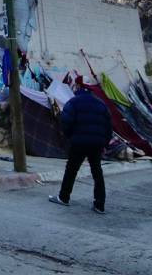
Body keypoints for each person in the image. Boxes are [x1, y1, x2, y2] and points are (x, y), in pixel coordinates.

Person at [49, 77, 112, 214]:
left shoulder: (73, 102)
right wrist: (104, 143)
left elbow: (65, 121)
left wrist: (70, 136)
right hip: (96, 144)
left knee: (71, 170)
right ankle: (99, 204)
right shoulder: (101, 104)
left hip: (79, 142)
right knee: (97, 172)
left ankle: (64, 197)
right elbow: (108, 127)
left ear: (77, 89)